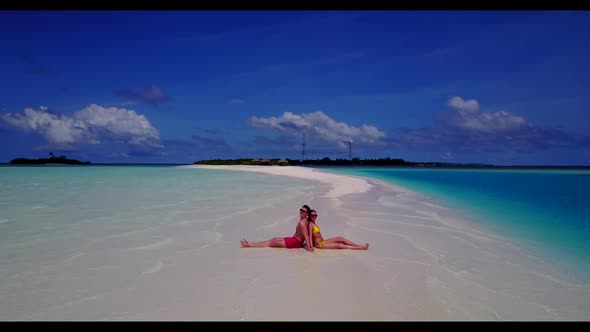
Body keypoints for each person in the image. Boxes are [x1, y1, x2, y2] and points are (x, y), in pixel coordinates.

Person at [240, 204, 315, 252]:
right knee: (273, 239)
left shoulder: (303, 223)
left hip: (294, 243)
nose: (300, 211)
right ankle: (250, 243)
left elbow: (306, 236)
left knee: (271, 243)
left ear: (306, 213)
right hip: (293, 240)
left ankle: (249, 245)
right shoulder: (304, 221)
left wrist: (309, 248)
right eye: (300, 210)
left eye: (303, 211)